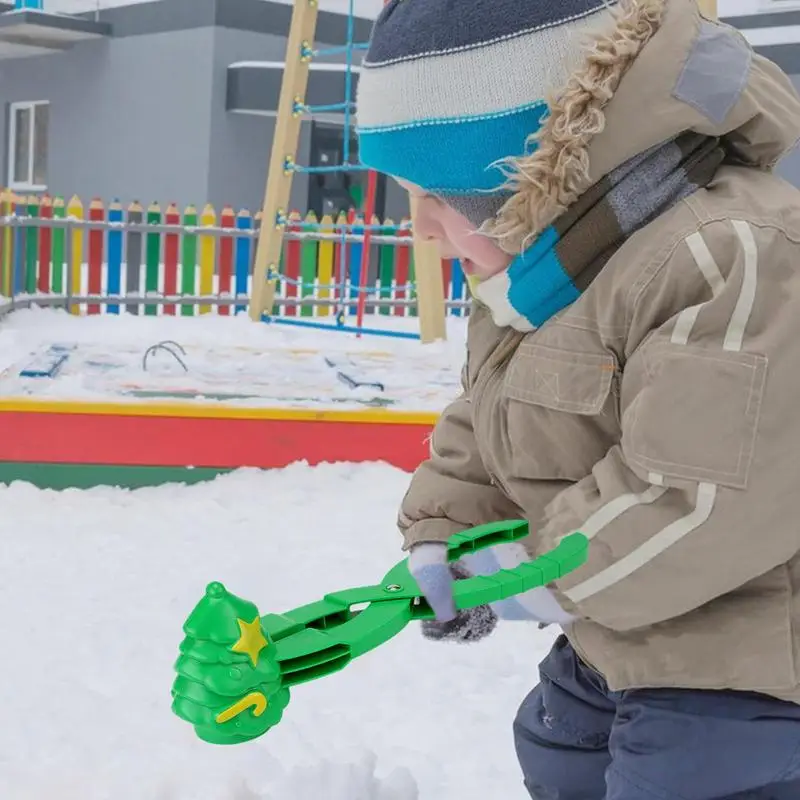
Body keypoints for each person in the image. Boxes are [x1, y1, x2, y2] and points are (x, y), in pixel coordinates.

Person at [355, 0, 800, 798]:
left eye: (439, 195)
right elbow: (495, 416)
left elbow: (701, 499)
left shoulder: (734, 253)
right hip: (622, 628)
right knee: (556, 749)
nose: (419, 226)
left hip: (758, 667)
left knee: (684, 778)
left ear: (527, 169)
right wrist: (445, 533)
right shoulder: (553, 270)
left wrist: (526, 574)